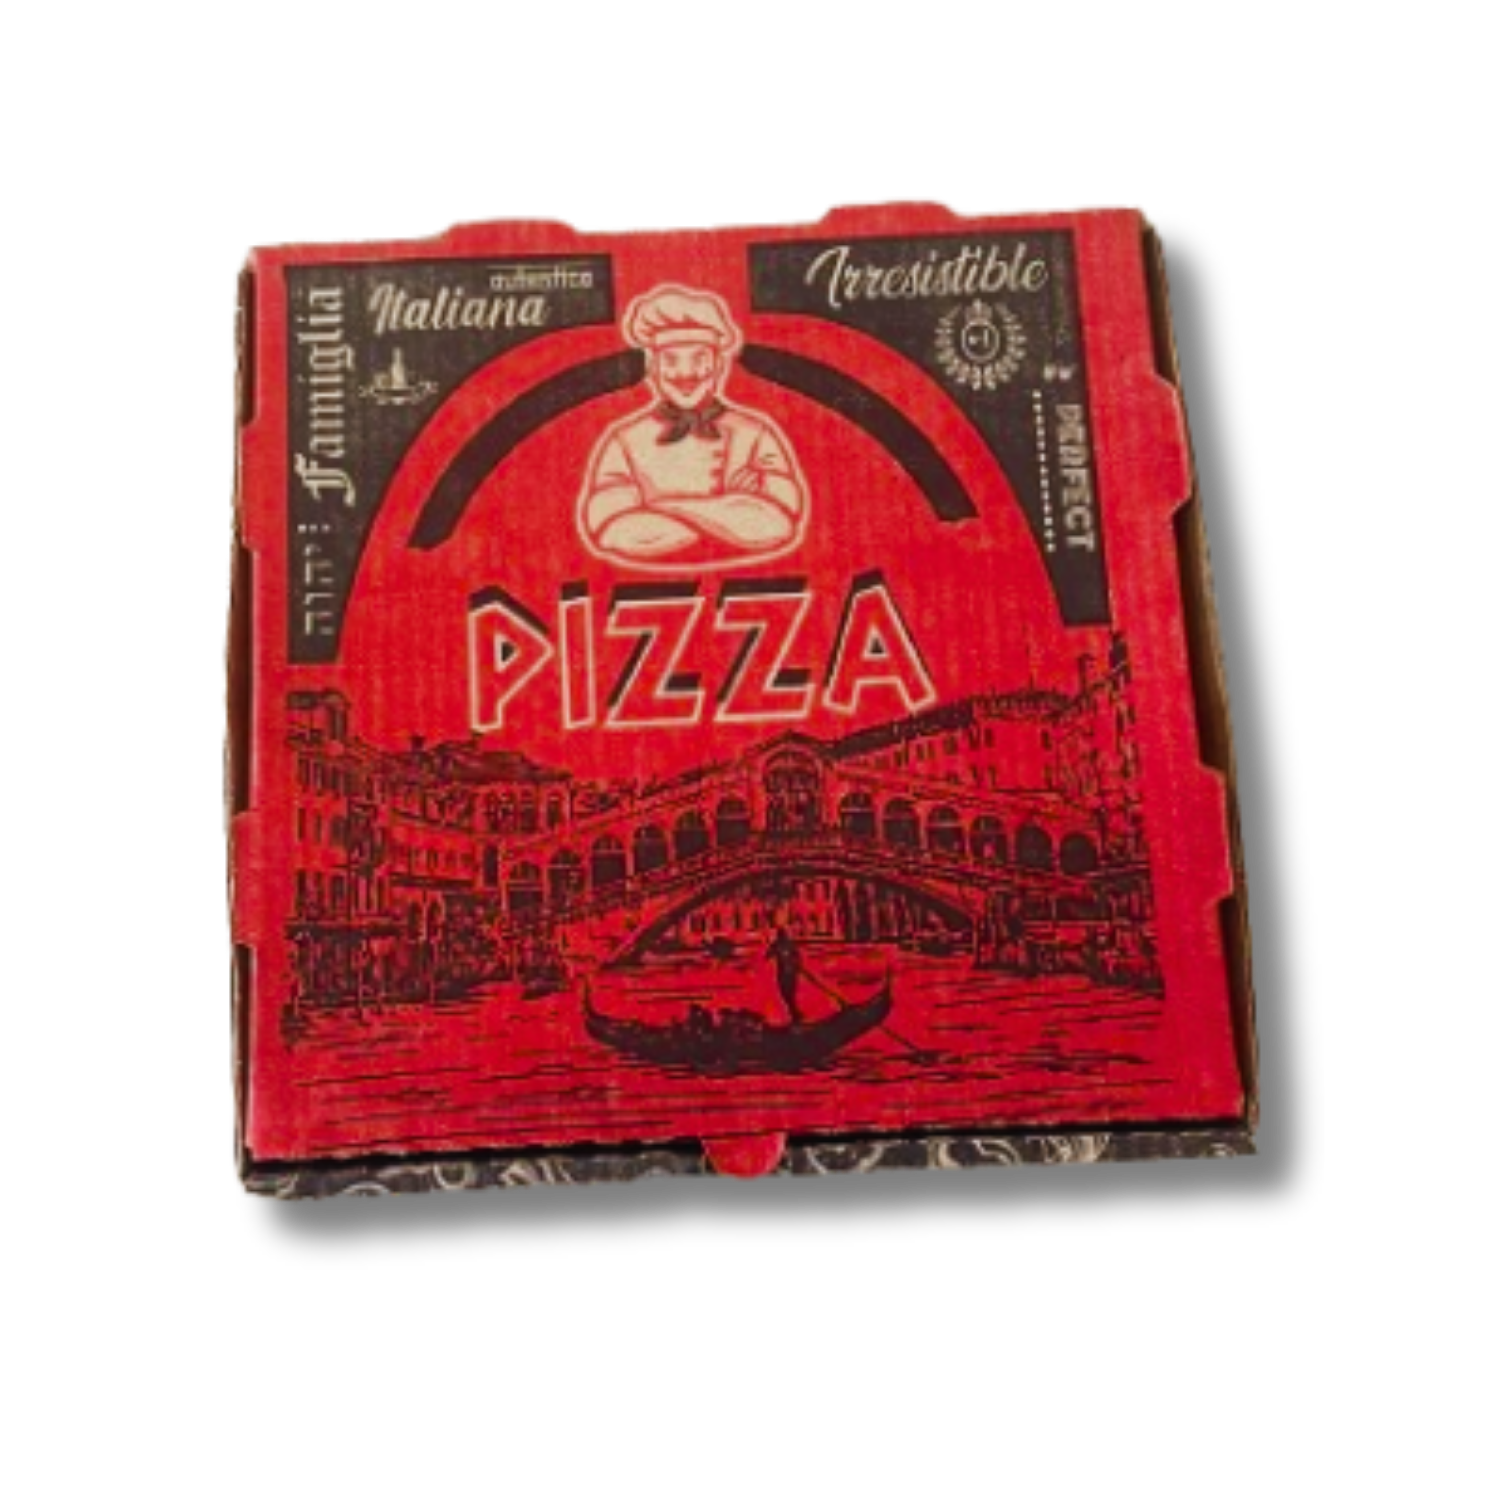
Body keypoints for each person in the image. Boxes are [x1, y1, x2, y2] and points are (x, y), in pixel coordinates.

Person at [579, 286, 810, 570]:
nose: (685, 374)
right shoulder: (624, 440)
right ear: (653, 368)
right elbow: (610, 529)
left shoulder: (756, 433)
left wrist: (661, 508)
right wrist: (732, 511)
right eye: (671, 360)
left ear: (719, 366)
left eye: (699, 358)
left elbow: (779, 521)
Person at [765, 926, 807, 1024]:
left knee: (785, 994)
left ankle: (794, 1013)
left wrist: (770, 947)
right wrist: (798, 967)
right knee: (790, 993)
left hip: (784, 973)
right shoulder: (790, 944)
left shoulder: (776, 944)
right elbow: (798, 956)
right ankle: (794, 1012)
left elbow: (767, 956)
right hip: (792, 972)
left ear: (778, 935)